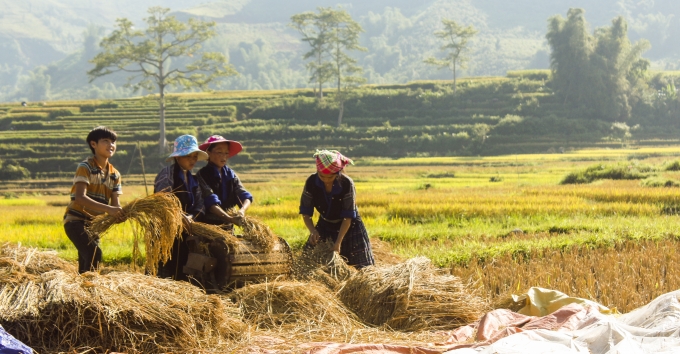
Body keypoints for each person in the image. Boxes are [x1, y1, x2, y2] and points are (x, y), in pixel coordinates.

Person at [299, 149, 375, 269]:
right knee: (307, 264)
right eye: (322, 176)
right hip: (325, 224)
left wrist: (338, 242)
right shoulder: (311, 182)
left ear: (338, 173)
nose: (325, 180)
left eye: (330, 177)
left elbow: (348, 216)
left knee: (362, 268)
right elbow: (305, 211)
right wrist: (313, 231)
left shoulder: (347, 184)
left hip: (350, 226)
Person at [63, 126, 123, 273]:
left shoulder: (115, 175)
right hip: (76, 221)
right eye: (106, 141)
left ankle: (83, 291)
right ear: (93, 144)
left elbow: (115, 205)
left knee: (87, 262)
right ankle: (89, 289)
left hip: (94, 226)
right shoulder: (86, 167)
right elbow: (80, 198)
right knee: (94, 254)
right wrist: (109, 209)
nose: (111, 145)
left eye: (113, 142)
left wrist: (121, 214)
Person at [154, 134, 208, 281]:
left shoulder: (193, 179)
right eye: (188, 156)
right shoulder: (167, 174)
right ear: (178, 157)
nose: (193, 160)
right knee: (165, 266)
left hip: (185, 230)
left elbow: (200, 204)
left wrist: (190, 217)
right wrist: (178, 216)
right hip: (166, 230)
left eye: (195, 156)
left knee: (182, 265)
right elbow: (163, 199)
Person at [197, 135, 253, 228]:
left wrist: (242, 211)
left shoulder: (231, 174)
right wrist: (229, 218)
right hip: (209, 225)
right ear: (209, 153)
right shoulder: (202, 175)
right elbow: (210, 202)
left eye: (226, 153)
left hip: (228, 226)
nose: (224, 157)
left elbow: (244, 195)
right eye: (219, 152)